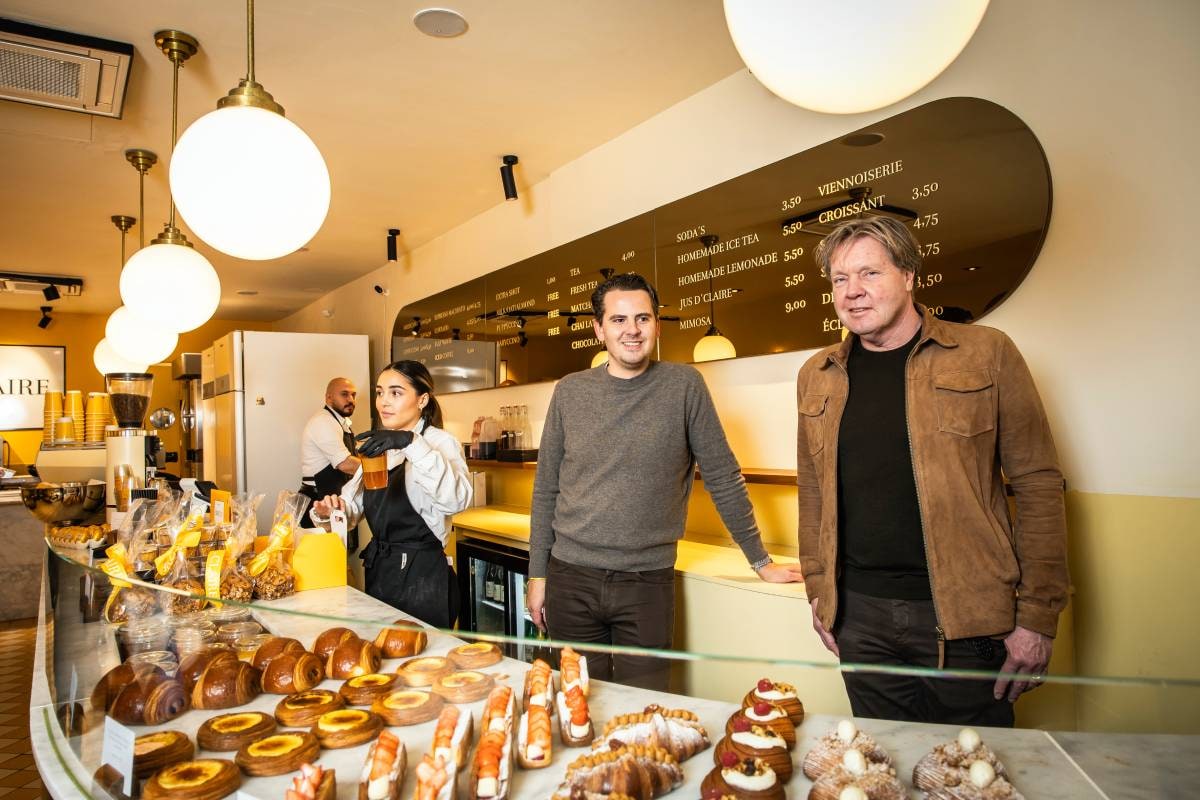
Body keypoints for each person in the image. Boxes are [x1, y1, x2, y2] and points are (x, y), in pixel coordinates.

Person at [795, 216, 1069, 726]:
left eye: (869, 273)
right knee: (880, 759)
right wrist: (818, 588)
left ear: (909, 275)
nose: (852, 291)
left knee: (973, 762)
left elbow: (1038, 483)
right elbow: (812, 491)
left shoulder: (987, 353)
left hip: (969, 617)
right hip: (859, 617)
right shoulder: (818, 374)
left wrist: (1038, 616)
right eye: (839, 278)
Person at [527, 272, 803, 690]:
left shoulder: (684, 386)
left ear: (657, 325)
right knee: (576, 701)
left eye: (643, 318)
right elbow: (546, 487)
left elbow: (723, 476)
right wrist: (538, 576)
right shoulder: (570, 391)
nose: (632, 330)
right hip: (571, 577)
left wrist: (761, 562)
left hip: (646, 583)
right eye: (618, 320)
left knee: (645, 708)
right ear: (599, 329)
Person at [312, 361, 472, 629]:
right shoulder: (380, 446)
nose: (383, 401)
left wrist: (412, 443)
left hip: (424, 580)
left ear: (422, 400)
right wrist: (332, 511)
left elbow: (456, 500)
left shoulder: (440, 442)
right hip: (381, 573)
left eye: (395, 393)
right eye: (379, 392)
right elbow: (353, 507)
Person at [300, 377, 361, 552]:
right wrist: (383, 468)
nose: (351, 399)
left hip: (335, 500)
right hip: (319, 502)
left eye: (353, 395)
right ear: (328, 398)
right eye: (344, 394)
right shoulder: (323, 421)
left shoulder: (340, 422)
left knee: (338, 558)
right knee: (323, 559)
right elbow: (345, 464)